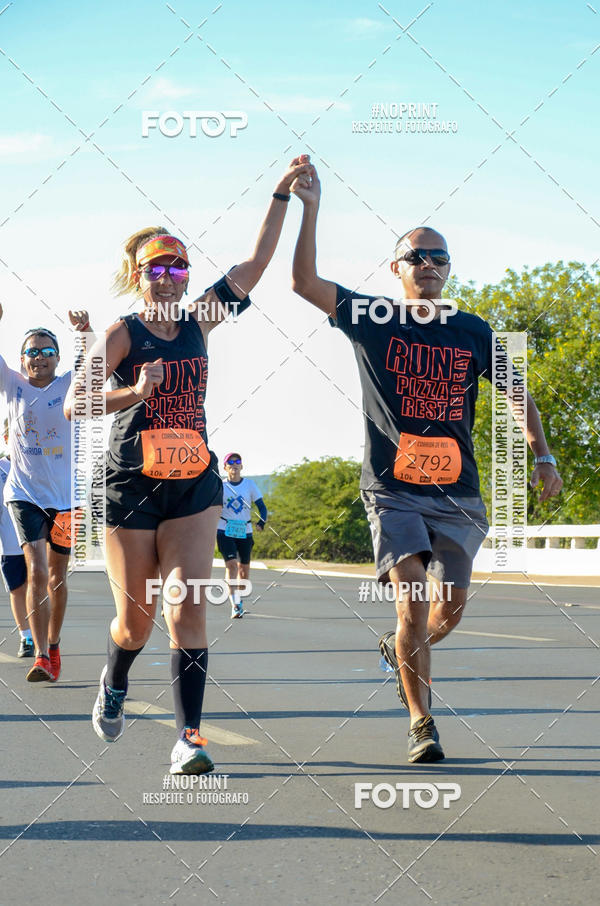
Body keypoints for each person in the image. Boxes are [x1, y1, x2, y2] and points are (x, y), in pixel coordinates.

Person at [290, 160, 563, 763]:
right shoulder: (373, 318)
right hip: (392, 489)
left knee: (448, 612)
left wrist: (542, 454)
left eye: (439, 257)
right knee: (411, 602)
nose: (430, 266)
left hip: (458, 492)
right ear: (397, 268)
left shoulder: (473, 329)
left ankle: (400, 649)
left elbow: (518, 393)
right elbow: (304, 282)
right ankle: (422, 723)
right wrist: (308, 209)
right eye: (418, 257)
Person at [65, 156, 310, 775]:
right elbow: (76, 403)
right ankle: (116, 678)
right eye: (157, 269)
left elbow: (252, 269)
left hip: (194, 485)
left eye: (178, 266)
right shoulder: (121, 333)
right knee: (135, 622)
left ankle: (188, 739)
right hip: (128, 488)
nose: (169, 277)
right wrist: (133, 393)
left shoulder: (201, 319)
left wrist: (281, 196)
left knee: (188, 607)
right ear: (138, 275)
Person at [0, 303, 92, 682]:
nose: (40, 357)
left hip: (68, 497)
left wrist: (84, 330)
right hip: (24, 494)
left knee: (57, 577)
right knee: (37, 571)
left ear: (57, 358)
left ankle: (53, 643)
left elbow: (93, 363)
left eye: (47, 351)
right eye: (32, 352)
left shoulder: (69, 383)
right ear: (22, 361)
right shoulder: (12, 385)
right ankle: (40, 655)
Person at [217, 452, 267, 619]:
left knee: (243, 572)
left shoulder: (250, 485)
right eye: (230, 462)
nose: (234, 465)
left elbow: (262, 506)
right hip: (225, 529)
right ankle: (235, 603)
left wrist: (261, 522)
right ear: (225, 467)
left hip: (244, 530)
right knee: (231, 565)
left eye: (237, 461)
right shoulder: (220, 486)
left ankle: (239, 597)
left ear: (242, 466)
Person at [0, 449, 31, 657]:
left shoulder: (35, 463)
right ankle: (26, 637)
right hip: (10, 545)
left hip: (35, 540)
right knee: (17, 591)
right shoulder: (2, 467)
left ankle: (43, 637)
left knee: (38, 589)